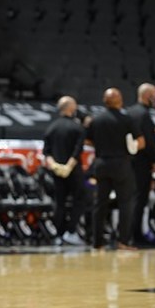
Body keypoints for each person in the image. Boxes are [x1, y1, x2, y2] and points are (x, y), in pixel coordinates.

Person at [85, 88, 144, 250]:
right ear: (120, 101)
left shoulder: (95, 120)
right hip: (121, 164)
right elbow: (141, 142)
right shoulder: (127, 119)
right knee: (125, 203)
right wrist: (131, 147)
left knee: (100, 204)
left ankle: (97, 243)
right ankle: (123, 241)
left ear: (105, 101)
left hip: (101, 164)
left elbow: (88, 141)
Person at [42, 96, 87, 246]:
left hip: (56, 171)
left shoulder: (51, 128)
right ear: (69, 108)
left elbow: (46, 152)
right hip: (73, 171)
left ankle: (58, 234)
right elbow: (77, 150)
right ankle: (71, 231)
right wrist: (68, 166)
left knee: (59, 202)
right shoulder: (77, 127)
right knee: (79, 200)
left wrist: (54, 165)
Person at [127, 83, 155, 246]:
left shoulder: (129, 112)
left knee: (133, 199)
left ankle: (132, 235)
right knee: (139, 200)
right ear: (147, 95)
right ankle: (136, 236)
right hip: (142, 163)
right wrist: (154, 160)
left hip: (129, 162)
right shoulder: (144, 114)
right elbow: (148, 141)